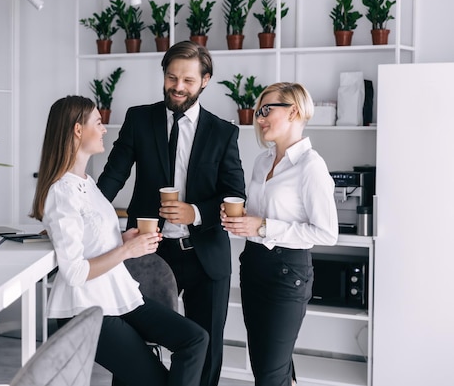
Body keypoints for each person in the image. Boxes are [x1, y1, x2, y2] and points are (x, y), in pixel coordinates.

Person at [30, 95, 208, 386]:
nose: (103, 130)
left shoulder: (86, 183)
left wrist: (122, 239)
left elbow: (94, 239)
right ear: (78, 130)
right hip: (87, 310)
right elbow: (74, 272)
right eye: (98, 123)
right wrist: (127, 250)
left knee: (195, 338)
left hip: (119, 296)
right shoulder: (62, 192)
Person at [97, 40, 246, 386]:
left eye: (188, 81)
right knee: (133, 341)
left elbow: (235, 193)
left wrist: (194, 212)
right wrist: (81, 212)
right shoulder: (138, 119)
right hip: (147, 253)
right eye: (171, 77)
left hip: (204, 256)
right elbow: (112, 177)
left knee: (206, 349)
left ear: (205, 80)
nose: (178, 87)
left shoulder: (224, 132)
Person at [220, 82, 339, 386]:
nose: (259, 118)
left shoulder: (311, 166)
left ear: (294, 111)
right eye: (259, 112)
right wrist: (242, 220)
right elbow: (261, 216)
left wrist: (262, 226)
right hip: (254, 265)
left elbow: (326, 233)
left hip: (287, 272)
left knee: (270, 374)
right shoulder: (262, 162)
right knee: (266, 365)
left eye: (266, 110)